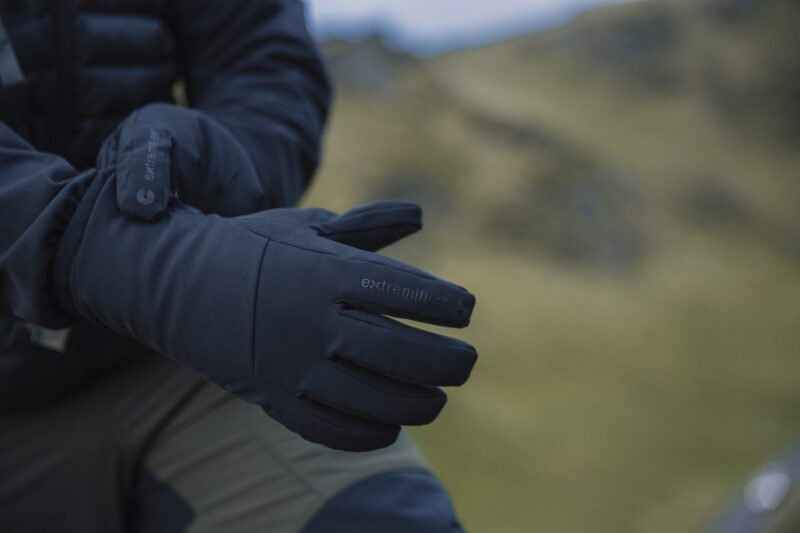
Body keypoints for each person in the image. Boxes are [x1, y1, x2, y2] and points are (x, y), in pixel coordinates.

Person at [0, 1, 478, 531]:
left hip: (166, 353)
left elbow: (260, 54)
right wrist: (93, 249)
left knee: (379, 517)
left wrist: (232, 157)